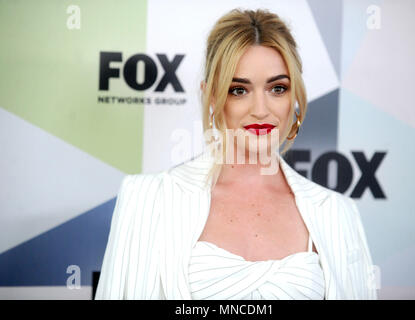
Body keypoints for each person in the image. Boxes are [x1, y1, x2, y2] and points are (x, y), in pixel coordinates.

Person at [95, 8, 377, 300]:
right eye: (239, 90)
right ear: (212, 96)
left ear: (294, 97)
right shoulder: (147, 200)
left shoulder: (337, 213)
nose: (260, 109)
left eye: (277, 88)